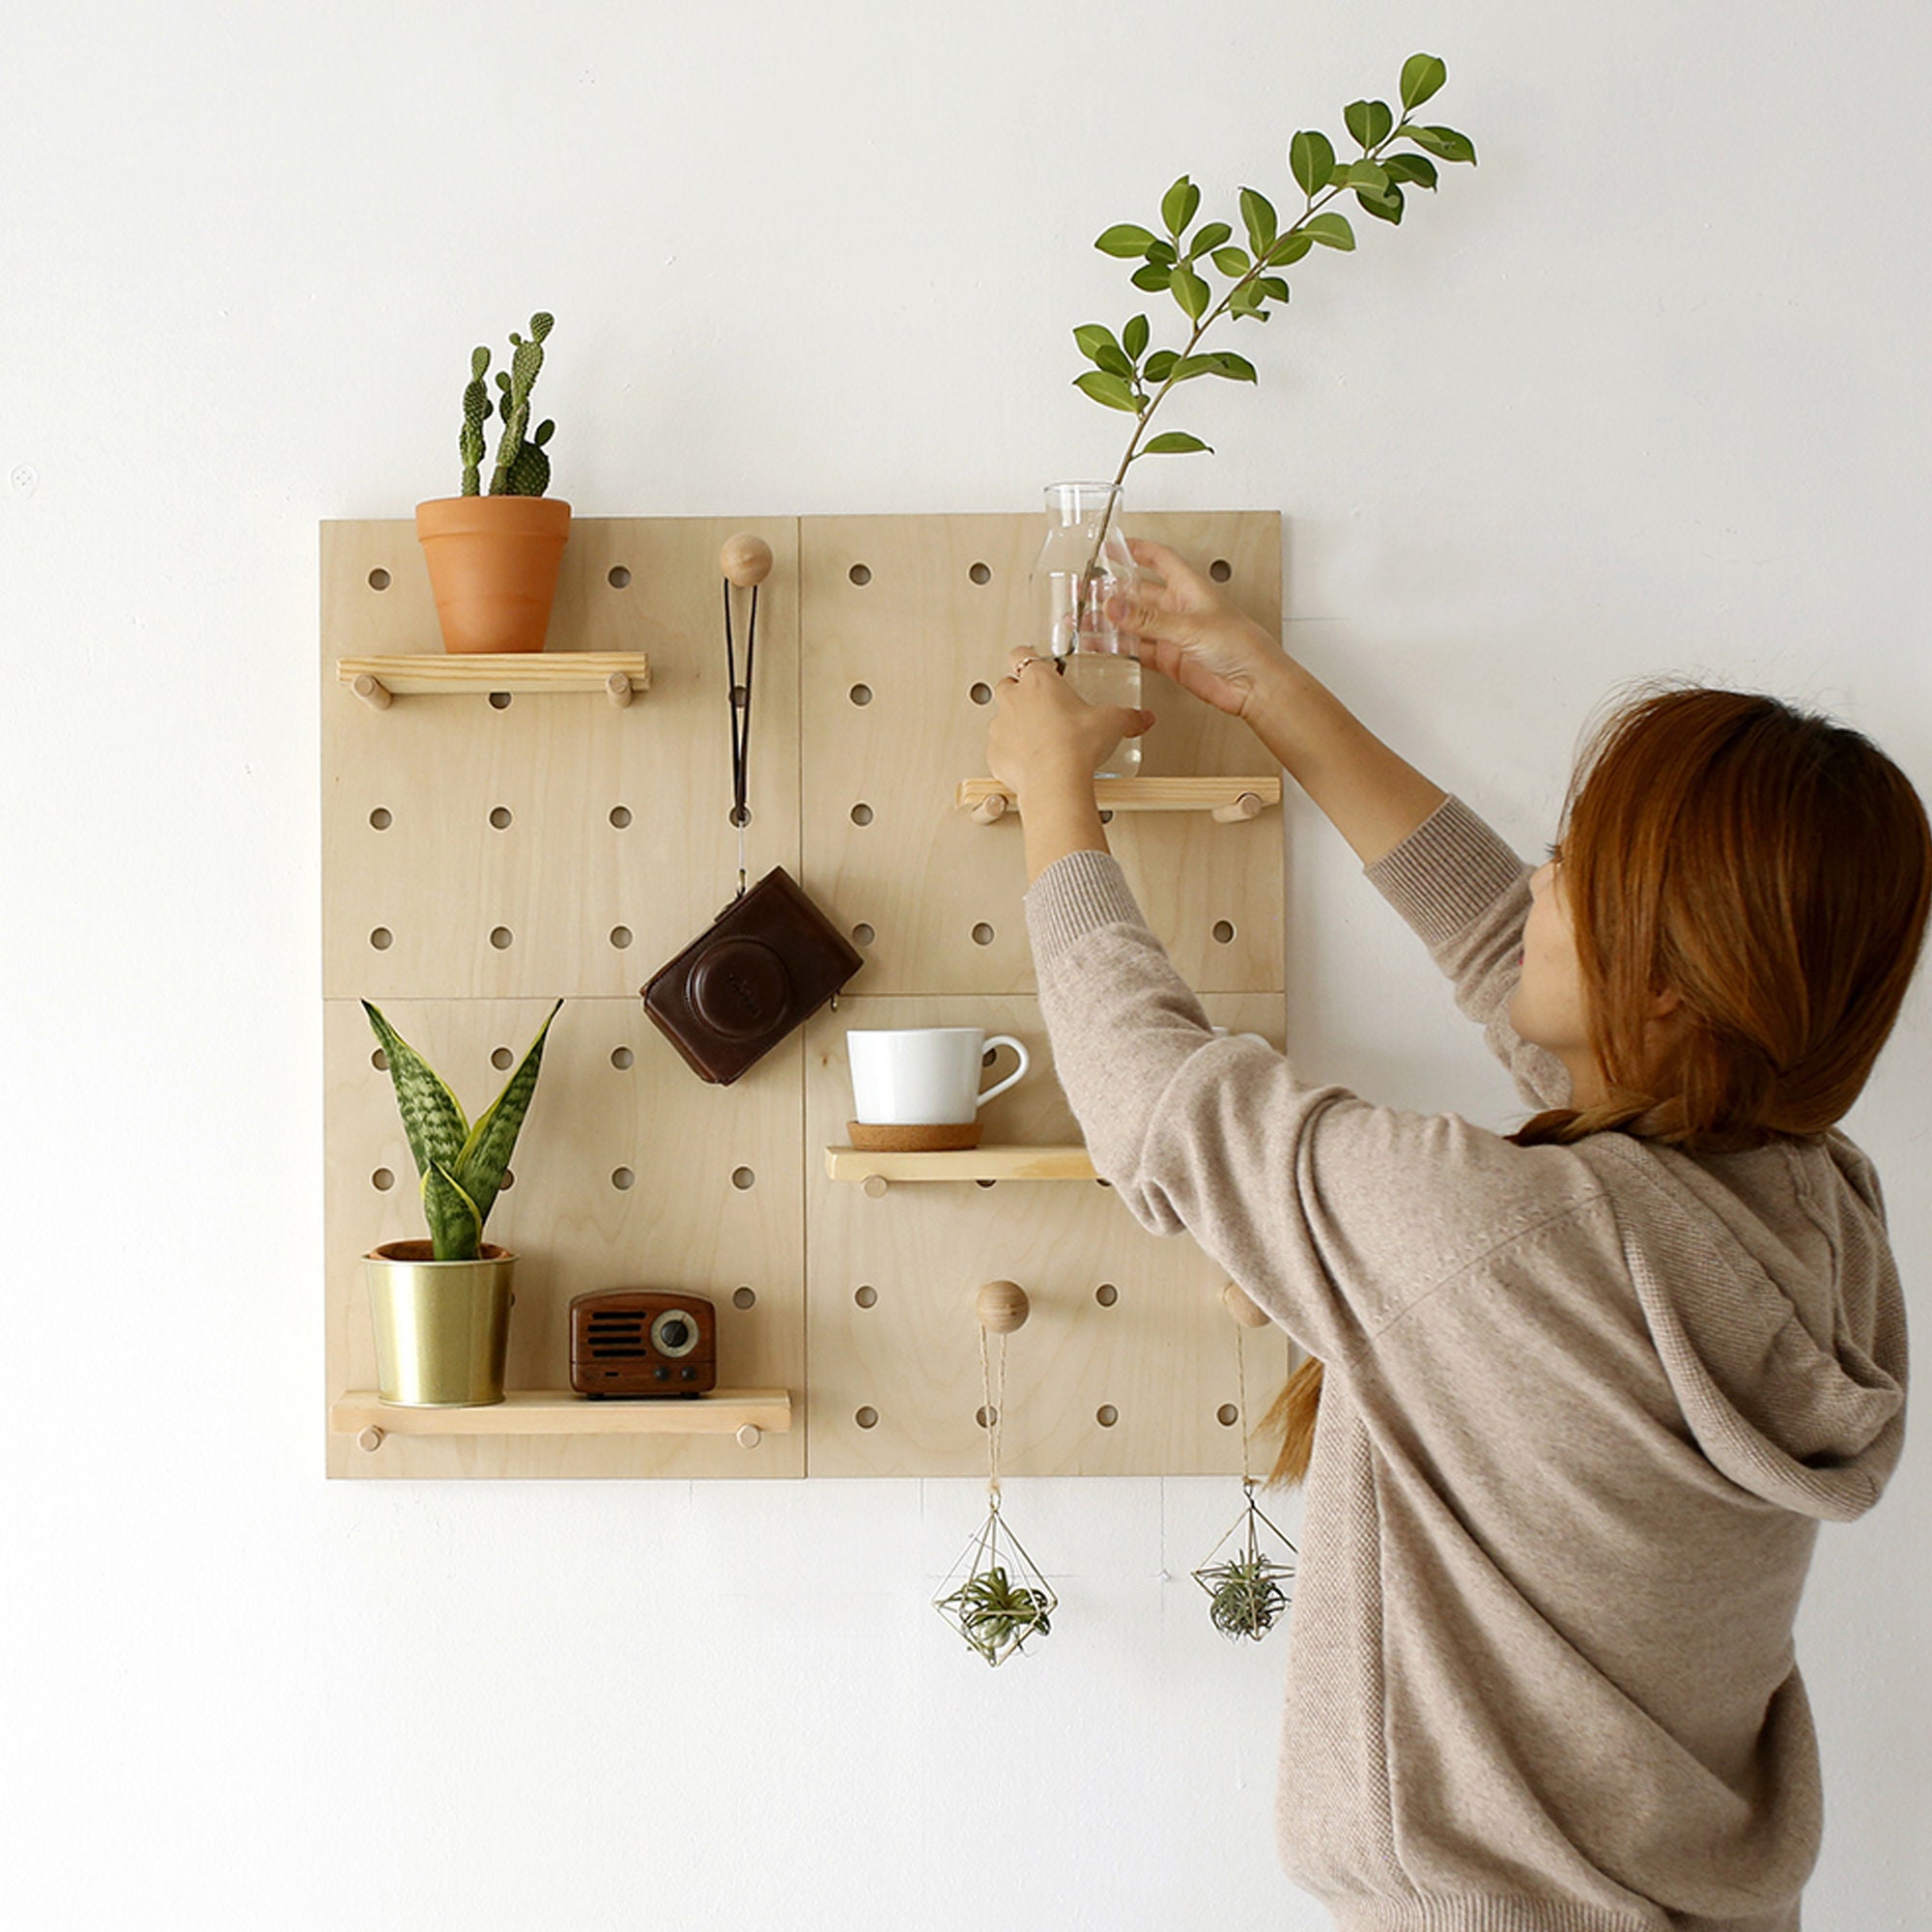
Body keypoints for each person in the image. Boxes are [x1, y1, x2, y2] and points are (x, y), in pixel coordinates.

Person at [986, 538, 1928, 1932]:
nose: (1538, 883)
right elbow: (1504, 940)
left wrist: (1050, 794)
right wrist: (1261, 686)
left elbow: (1155, 1105)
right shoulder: (1817, 1211)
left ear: (1669, 983)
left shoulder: (1506, 1236)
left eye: (1573, 864)